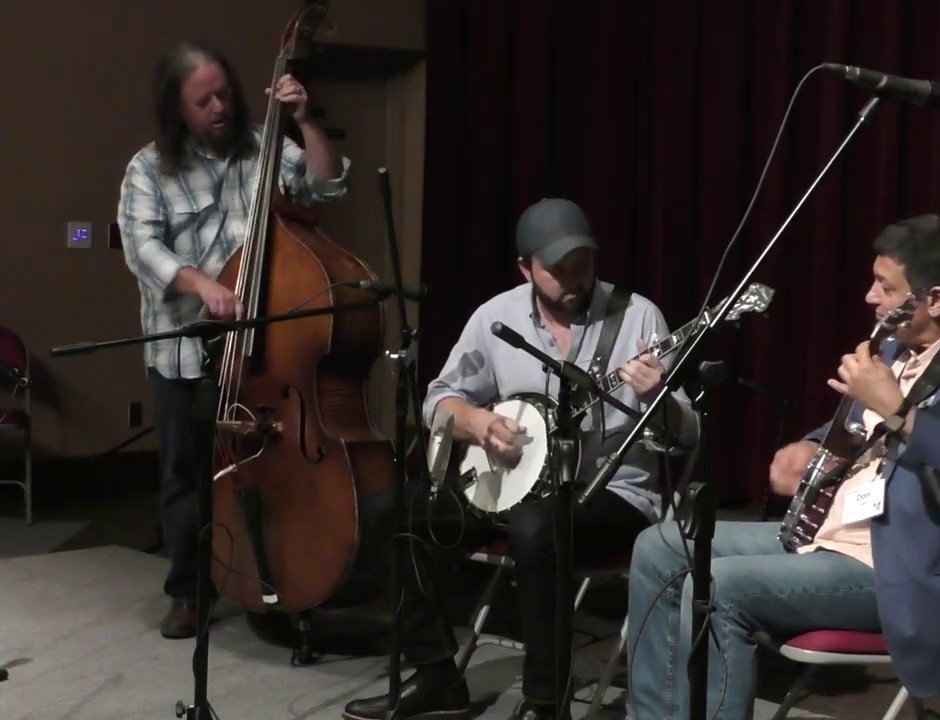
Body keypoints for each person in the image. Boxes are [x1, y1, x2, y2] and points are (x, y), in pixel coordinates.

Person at [624, 214, 940, 719]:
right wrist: (809, 449)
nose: (871, 297)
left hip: (899, 566)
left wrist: (902, 414)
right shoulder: (893, 346)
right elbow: (854, 431)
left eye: (885, 287)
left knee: (715, 587)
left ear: (934, 300)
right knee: (658, 547)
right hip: (825, 530)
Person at [341, 198, 701, 720]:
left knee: (537, 528)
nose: (573, 279)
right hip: (511, 485)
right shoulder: (496, 317)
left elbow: (686, 433)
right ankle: (437, 675)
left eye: (583, 263)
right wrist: (480, 424)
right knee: (389, 512)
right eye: (557, 269)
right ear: (525, 268)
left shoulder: (638, 317)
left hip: (609, 494)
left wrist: (658, 397)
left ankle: (544, 701)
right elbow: (438, 399)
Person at [117, 41, 350, 639]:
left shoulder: (263, 145)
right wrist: (201, 284)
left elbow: (327, 188)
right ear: (178, 108)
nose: (219, 106)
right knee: (186, 476)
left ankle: (265, 580)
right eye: (204, 100)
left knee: (266, 469)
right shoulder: (148, 167)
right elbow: (142, 248)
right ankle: (189, 592)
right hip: (181, 348)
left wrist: (303, 118)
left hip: (255, 353)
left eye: (224, 93)